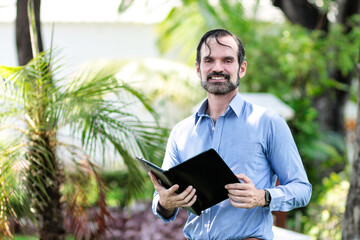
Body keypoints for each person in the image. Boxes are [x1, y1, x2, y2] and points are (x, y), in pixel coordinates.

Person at [149, 28, 312, 240]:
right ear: (198, 69)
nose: (217, 68)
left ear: (241, 68)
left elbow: (302, 189)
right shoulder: (181, 132)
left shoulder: (269, 123)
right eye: (209, 60)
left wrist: (262, 196)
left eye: (227, 60)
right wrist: (164, 203)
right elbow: (162, 201)